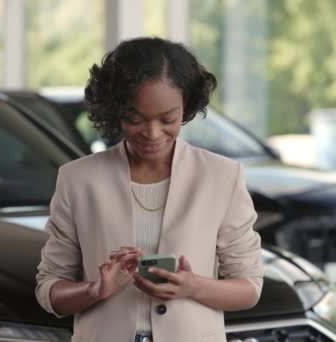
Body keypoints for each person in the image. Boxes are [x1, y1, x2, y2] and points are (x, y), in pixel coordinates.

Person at [35, 37, 263, 342]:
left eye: (168, 118)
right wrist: (96, 289)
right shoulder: (78, 179)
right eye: (135, 118)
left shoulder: (222, 176)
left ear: (187, 107)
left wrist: (193, 286)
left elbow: (248, 288)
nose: (152, 133)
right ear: (115, 109)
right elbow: (49, 289)